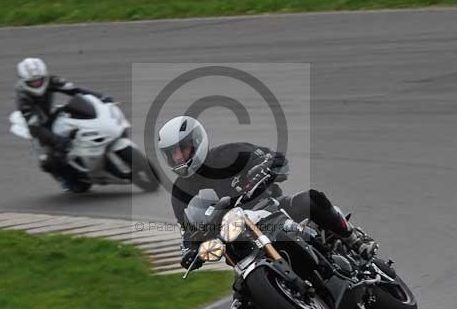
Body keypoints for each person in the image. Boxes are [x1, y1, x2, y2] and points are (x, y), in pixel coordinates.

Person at [156, 116, 377, 270]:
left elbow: (273, 157)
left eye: (181, 150)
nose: (178, 158)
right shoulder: (180, 191)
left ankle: (352, 238)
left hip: (273, 209)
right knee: (242, 295)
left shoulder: (230, 153)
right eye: (172, 154)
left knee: (311, 198)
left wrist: (267, 167)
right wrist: (189, 251)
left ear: (196, 142)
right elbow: (187, 229)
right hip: (236, 237)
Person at [15, 57, 113, 190]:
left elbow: (75, 89)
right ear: (24, 81)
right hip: (39, 127)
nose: (37, 83)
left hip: (52, 114)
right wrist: (56, 141)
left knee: (79, 110)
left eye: (39, 80)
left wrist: (101, 97)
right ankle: (66, 179)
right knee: (47, 161)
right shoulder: (23, 98)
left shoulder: (51, 80)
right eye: (32, 82)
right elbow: (35, 128)